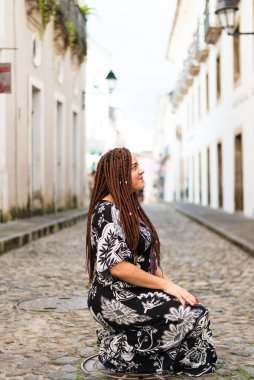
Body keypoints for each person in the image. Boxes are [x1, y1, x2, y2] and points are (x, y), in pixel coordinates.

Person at [86, 147, 217, 376]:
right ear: (119, 174)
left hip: (138, 291)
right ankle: (118, 351)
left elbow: (149, 262)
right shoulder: (107, 211)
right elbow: (118, 267)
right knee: (194, 316)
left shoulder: (127, 207)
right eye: (134, 167)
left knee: (193, 308)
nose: (142, 171)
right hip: (114, 297)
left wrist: (174, 286)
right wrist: (165, 287)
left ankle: (127, 346)